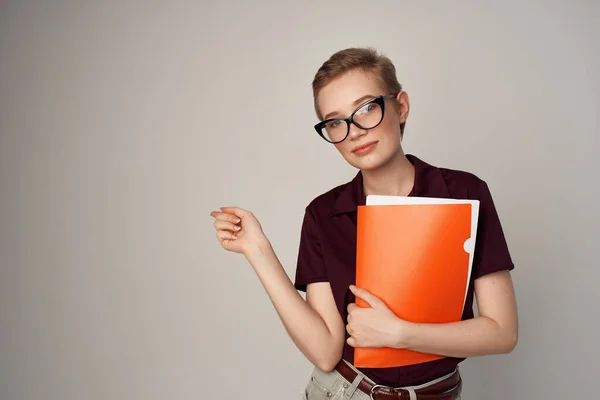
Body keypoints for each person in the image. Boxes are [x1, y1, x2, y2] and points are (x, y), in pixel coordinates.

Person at [210, 47, 518, 400]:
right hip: (346, 391)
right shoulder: (322, 214)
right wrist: (258, 251)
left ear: (400, 106)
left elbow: (502, 332)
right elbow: (325, 350)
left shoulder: (465, 192)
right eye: (336, 121)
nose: (353, 131)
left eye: (367, 108)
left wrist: (399, 333)